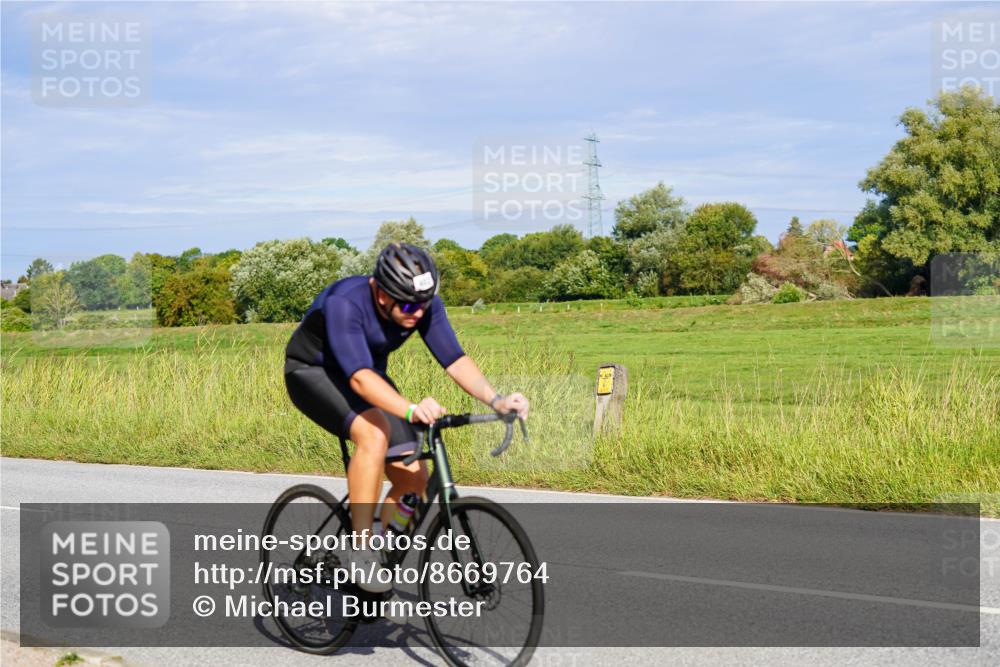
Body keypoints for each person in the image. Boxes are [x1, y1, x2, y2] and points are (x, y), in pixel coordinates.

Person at [284, 242, 529, 592]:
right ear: (381, 294)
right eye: (410, 305)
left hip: (367, 374)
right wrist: (411, 409)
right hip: (313, 373)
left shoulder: (421, 303)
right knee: (374, 435)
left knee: (414, 479)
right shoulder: (346, 302)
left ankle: (383, 546)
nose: (418, 313)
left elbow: (454, 359)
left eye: (424, 304)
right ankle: (361, 550)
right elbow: (358, 379)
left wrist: (497, 400)